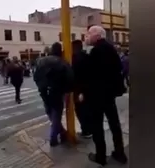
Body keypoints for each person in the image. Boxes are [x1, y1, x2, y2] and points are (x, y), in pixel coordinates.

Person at [81, 25, 127, 166]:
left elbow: (90, 75)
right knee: (114, 124)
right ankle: (120, 153)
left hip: (97, 96)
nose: (86, 37)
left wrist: (85, 93)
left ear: (97, 36)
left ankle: (101, 156)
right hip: (109, 95)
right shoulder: (111, 49)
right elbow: (118, 69)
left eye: (88, 34)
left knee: (97, 127)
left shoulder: (96, 51)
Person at [34, 42, 74, 147]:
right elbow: (70, 78)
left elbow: (36, 76)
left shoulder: (41, 61)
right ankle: (54, 137)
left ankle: (61, 132)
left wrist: (41, 86)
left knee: (49, 111)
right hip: (56, 91)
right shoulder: (63, 62)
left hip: (44, 90)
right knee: (56, 113)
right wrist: (67, 91)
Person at [71, 40, 92, 139]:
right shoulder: (87, 56)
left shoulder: (75, 58)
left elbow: (76, 75)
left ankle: (86, 130)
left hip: (79, 89)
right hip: (88, 88)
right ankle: (88, 129)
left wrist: (80, 91)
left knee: (80, 110)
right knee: (86, 109)